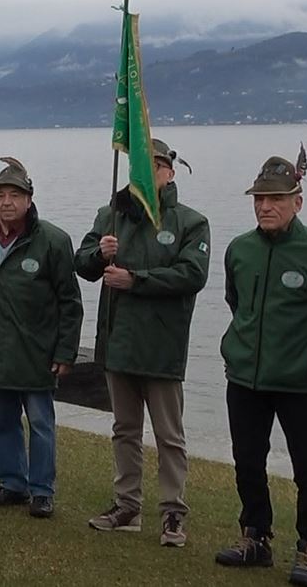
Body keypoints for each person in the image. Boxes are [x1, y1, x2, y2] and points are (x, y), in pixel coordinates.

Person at [214, 152, 307, 586]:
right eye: (259, 198)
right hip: (245, 379)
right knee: (246, 460)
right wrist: (243, 351)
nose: (265, 206)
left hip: (301, 384)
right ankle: (255, 536)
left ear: (298, 201)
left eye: (275, 198)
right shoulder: (240, 249)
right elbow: (236, 303)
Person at [75, 139, 209, 547]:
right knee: (125, 429)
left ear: (169, 170)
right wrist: (99, 254)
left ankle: (172, 513)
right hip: (118, 343)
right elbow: (81, 264)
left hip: (163, 346)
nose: (145, 173)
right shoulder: (110, 215)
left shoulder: (190, 222)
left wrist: (137, 280)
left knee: (169, 436)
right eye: (138, 165)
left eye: (154, 165)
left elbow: (192, 275)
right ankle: (126, 505)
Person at [0, 157, 83, 519]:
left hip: (38, 351)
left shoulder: (54, 241)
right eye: (0, 195)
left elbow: (70, 302)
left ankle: (42, 491)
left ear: (29, 200)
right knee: (3, 420)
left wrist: (66, 351)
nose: (7, 202)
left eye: (15, 194)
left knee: (41, 423)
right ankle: (12, 483)